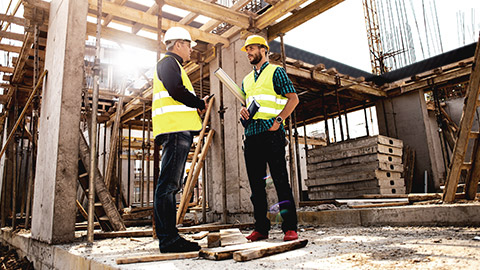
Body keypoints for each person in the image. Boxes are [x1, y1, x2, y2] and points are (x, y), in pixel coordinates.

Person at [153, 26, 209, 253]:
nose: (190, 50)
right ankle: (169, 240)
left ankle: (169, 237)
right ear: (178, 44)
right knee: (168, 186)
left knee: (168, 185)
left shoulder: (173, 65)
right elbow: (176, 90)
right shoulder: (168, 63)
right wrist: (199, 103)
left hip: (179, 130)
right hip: (175, 131)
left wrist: (196, 106)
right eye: (188, 45)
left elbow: (176, 95)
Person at [239, 35, 299, 242]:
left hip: (272, 134)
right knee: (256, 187)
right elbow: (245, 105)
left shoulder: (276, 71)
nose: (248, 52)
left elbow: (293, 98)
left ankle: (290, 228)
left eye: (252, 48)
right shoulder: (246, 80)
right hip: (252, 135)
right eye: (247, 50)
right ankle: (261, 229)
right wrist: (243, 113)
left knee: (280, 181)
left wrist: (280, 120)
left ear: (263, 50)